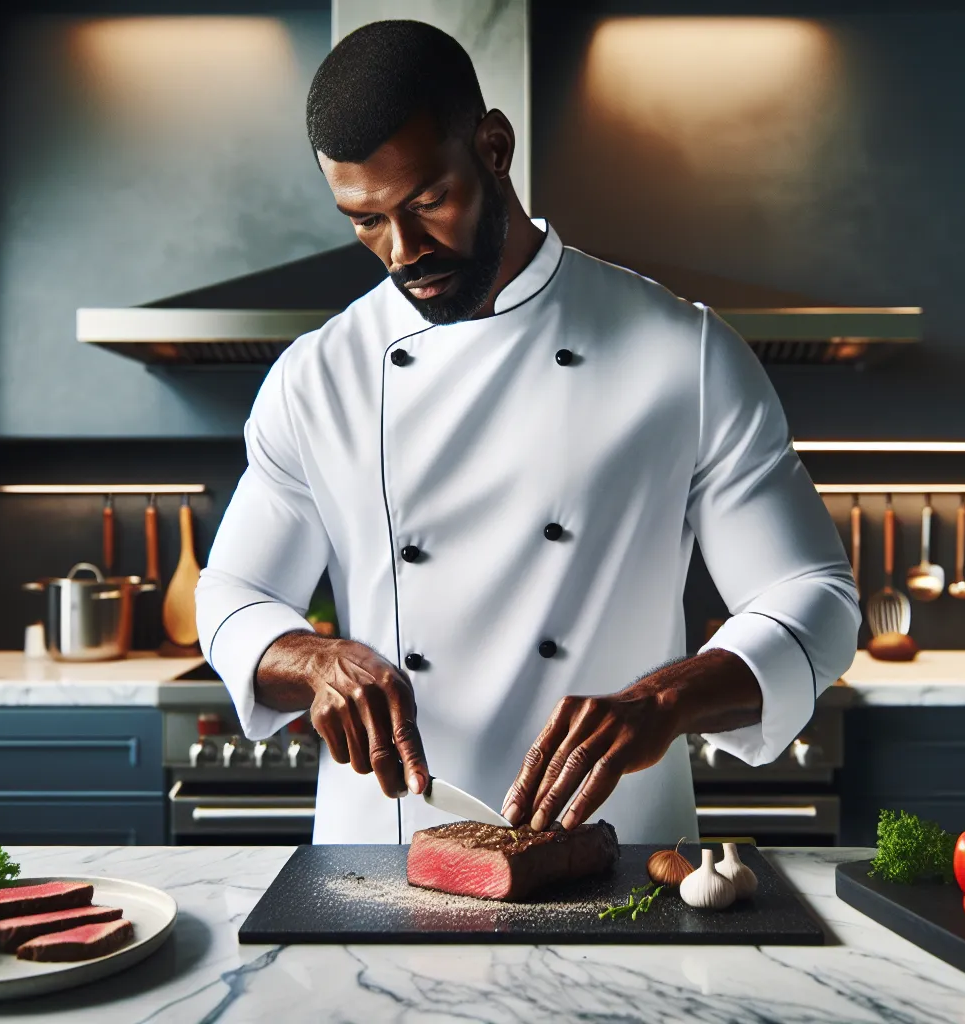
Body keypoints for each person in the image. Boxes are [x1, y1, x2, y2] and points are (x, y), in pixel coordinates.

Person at [197, 20, 859, 844]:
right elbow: (231, 595)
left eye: (428, 201)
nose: (402, 251)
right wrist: (317, 660)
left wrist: (664, 700)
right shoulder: (317, 375)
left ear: (494, 147)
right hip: (383, 848)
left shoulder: (678, 351)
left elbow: (815, 596)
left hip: (614, 842)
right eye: (365, 221)